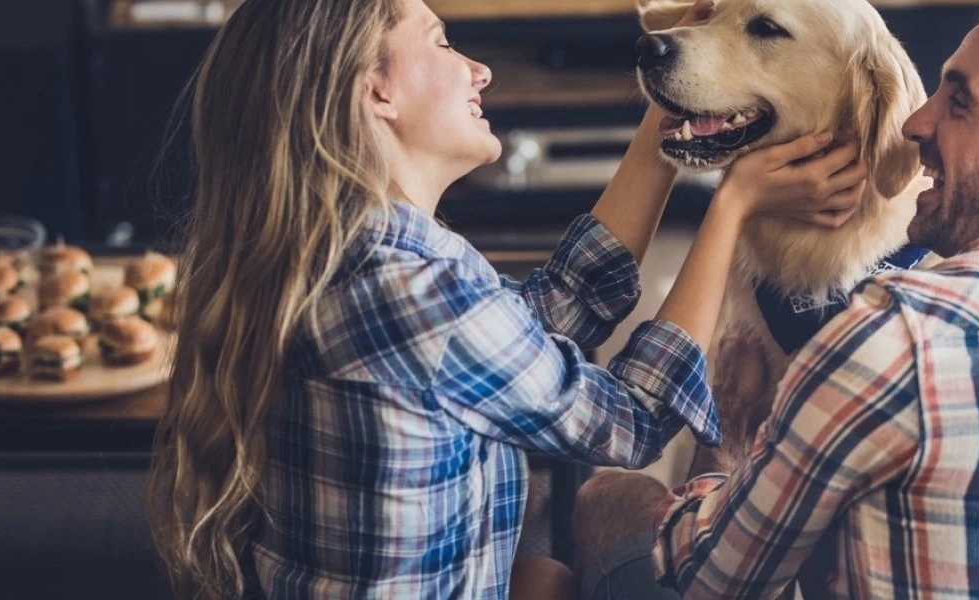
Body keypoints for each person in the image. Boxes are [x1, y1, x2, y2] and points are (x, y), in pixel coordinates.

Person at [144, 0, 871, 598]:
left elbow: (552, 310)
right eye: (443, 43)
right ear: (376, 91)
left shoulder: (356, 251)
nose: (480, 69)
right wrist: (731, 205)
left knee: (542, 579)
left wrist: (673, 114)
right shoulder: (409, 293)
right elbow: (629, 422)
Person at [573, 0, 979, 598]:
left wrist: (728, 445)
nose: (913, 122)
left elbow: (713, 577)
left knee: (599, 501)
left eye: (959, 104)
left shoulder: (894, 334)